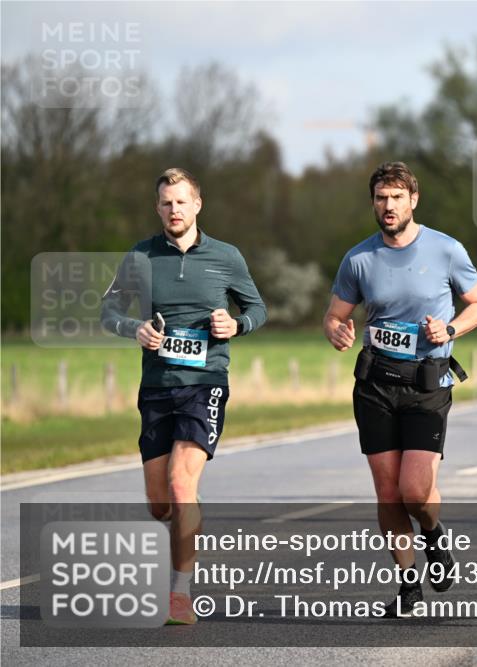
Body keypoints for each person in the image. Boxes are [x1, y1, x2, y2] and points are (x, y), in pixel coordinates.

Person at [324, 161, 477, 617]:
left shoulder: (445, 250)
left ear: (413, 201)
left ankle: (435, 535)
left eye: (397, 197)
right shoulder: (359, 258)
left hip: (427, 382)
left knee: (414, 490)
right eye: (381, 198)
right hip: (375, 383)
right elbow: (335, 314)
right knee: (387, 491)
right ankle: (408, 585)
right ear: (373, 203)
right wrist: (337, 329)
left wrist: (451, 329)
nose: (388, 206)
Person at [101, 168, 268, 625]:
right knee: (161, 503)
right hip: (156, 387)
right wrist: (133, 328)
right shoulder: (140, 255)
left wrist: (236, 325)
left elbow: (257, 308)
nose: (174, 210)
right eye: (166, 203)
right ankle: (182, 526)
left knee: (181, 483)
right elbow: (108, 311)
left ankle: (180, 592)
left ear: (198, 204)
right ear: (157, 209)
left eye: (182, 201)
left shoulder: (226, 257)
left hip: (205, 383)